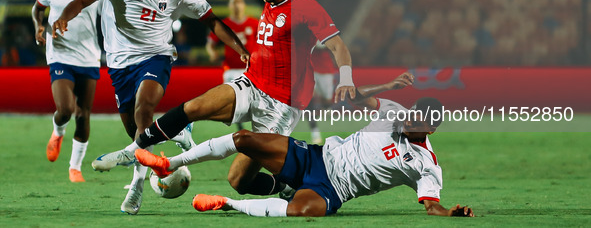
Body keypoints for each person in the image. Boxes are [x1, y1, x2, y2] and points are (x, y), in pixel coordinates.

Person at [91, 0, 356, 205]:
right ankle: (133, 150)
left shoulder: (307, 8)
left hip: (283, 103)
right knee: (193, 107)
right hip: (252, 83)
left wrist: (347, 78)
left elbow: (338, 45)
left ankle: (289, 185)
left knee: (240, 181)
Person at [52, 0, 250, 214]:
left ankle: (136, 187)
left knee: (143, 109)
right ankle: (176, 134)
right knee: (137, 133)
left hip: (156, 58)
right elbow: (82, 1)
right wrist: (62, 17)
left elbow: (211, 20)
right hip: (119, 65)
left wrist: (239, 47)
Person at [136, 72, 474, 218]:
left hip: (333, 189)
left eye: (419, 120)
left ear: (431, 128)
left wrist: (449, 212)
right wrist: (388, 85)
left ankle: (226, 204)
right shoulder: (394, 112)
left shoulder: (426, 164)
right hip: (316, 157)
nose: (410, 120)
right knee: (244, 139)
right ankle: (171, 163)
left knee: (301, 211)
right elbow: (354, 97)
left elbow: (431, 205)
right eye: (413, 112)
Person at [31, 0, 101, 183]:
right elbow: (38, 8)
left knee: (83, 115)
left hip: (90, 56)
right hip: (59, 54)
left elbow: (111, 18)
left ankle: (75, 167)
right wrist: (39, 26)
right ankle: (58, 130)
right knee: (66, 109)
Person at [206, 0, 259, 130]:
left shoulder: (254, 23)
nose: (237, 5)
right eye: (234, 2)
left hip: (251, 69)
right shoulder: (224, 25)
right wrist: (212, 53)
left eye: (239, 2)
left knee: (255, 102)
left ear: (244, 5)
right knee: (235, 103)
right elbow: (210, 44)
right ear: (229, 5)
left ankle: (256, 129)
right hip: (231, 70)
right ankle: (241, 129)